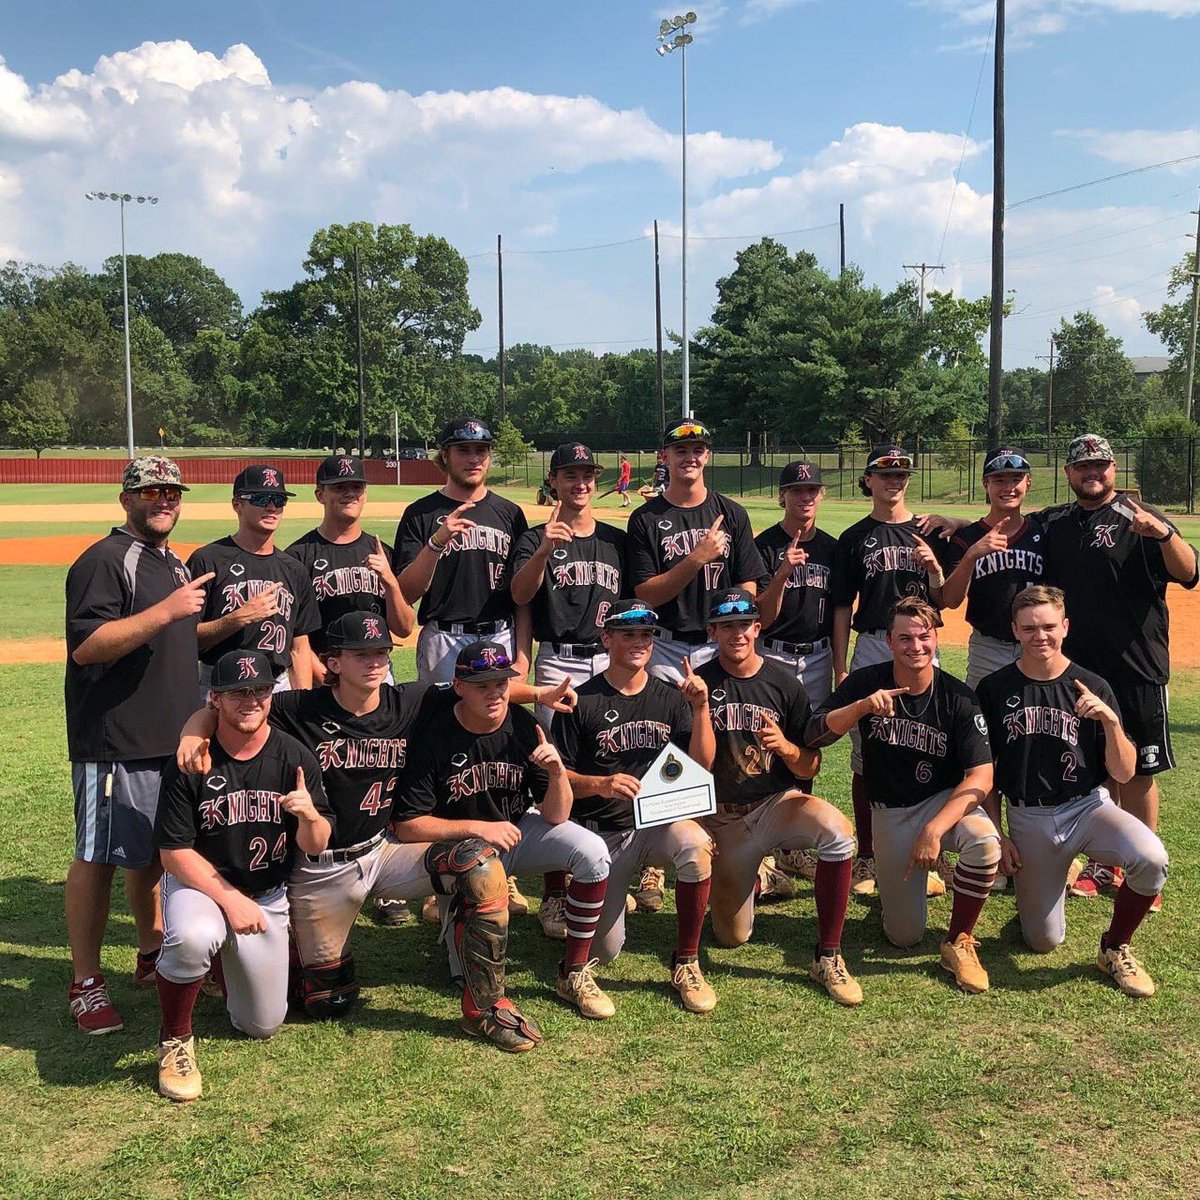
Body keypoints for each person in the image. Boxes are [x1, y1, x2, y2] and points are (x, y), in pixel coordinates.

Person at [174, 612, 542, 1051]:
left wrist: (541, 693)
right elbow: (242, 705)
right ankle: (285, 956)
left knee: (478, 864)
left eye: (381, 651)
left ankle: (486, 1006)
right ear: (333, 661)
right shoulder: (303, 707)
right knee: (327, 1001)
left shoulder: (409, 701)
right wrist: (195, 728)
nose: (374, 661)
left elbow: (482, 687)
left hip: (383, 851)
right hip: (321, 867)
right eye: (361, 653)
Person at [63, 456, 215, 1036]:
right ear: (127, 498)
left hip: (168, 737)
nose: (164, 500)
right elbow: (90, 645)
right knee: (98, 856)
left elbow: (176, 635)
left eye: (172, 491)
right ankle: (85, 982)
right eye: (151, 491)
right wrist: (166, 610)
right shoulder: (105, 560)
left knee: (151, 852)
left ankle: (150, 952)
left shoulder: (170, 561)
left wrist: (229, 622)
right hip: (116, 740)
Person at [393, 641, 616, 1020]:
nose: (495, 693)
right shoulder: (434, 734)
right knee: (465, 974)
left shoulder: (524, 724)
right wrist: (478, 827)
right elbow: (408, 824)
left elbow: (556, 815)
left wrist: (558, 772)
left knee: (592, 851)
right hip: (460, 852)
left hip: (515, 831)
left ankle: (574, 971)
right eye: (482, 685)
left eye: (501, 683)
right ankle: (459, 928)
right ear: (459, 687)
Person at [152, 649, 334, 1102]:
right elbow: (174, 853)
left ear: (272, 693)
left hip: (267, 895)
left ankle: (222, 965)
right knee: (193, 935)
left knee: (262, 1024)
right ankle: (175, 1039)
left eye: (259, 690)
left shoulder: (293, 755)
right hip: (204, 886)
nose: (249, 701)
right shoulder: (193, 757)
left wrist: (310, 817)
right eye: (237, 692)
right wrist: (231, 901)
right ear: (214, 698)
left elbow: (317, 844)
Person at [976, 587, 1168, 997]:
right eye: (1028, 628)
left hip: (1089, 808)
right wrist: (998, 833)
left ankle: (1115, 947)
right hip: (1029, 816)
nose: (1039, 636)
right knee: (1042, 941)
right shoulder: (994, 689)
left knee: (1151, 858)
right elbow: (985, 773)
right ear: (1014, 630)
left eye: (1048, 626)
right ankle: (1054, 877)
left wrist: (1112, 723)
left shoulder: (1093, 684)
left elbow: (1124, 770)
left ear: (1065, 626)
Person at [808, 597, 1000, 993]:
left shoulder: (958, 696)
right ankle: (901, 886)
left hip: (942, 802)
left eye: (924, 637)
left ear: (936, 639)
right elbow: (815, 733)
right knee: (903, 937)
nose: (916, 646)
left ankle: (959, 940)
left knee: (984, 842)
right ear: (890, 643)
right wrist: (859, 708)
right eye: (905, 638)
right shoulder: (868, 682)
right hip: (890, 812)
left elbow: (981, 775)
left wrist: (934, 830)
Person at [1039, 434, 1197, 904]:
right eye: (1082, 466)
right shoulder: (1057, 522)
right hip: (1081, 673)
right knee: (1098, 769)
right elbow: (1006, 528)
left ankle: (1145, 864)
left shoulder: (1141, 518)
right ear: (1068, 473)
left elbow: (1190, 573)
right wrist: (952, 521)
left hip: (1137, 669)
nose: (1092, 473)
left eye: (1101, 465)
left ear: (1113, 469)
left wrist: (1166, 535)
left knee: (1141, 770)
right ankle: (1105, 864)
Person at [697, 589, 863, 1006]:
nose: (738, 634)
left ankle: (828, 955)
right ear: (712, 631)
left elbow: (810, 767)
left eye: (745, 625)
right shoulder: (701, 684)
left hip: (775, 805)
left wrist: (786, 748)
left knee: (839, 833)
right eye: (727, 626)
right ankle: (757, 879)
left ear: (758, 628)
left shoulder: (782, 683)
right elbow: (691, 769)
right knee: (730, 937)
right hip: (724, 817)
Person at [553, 600, 718, 1012]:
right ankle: (575, 951)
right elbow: (558, 778)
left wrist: (700, 709)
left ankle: (687, 962)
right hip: (601, 833)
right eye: (628, 634)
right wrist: (600, 783)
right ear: (606, 638)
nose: (639, 642)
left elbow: (701, 764)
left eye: (646, 634)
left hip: (655, 827)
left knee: (696, 846)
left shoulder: (670, 697)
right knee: (605, 952)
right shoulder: (581, 701)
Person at [830, 446, 946, 899]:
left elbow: (946, 597)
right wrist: (841, 667)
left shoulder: (929, 531)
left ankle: (927, 849)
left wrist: (935, 568)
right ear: (868, 480)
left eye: (901, 473)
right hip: (874, 643)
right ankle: (868, 854)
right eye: (885, 473)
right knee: (868, 753)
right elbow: (842, 606)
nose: (894, 480)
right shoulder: (856, 537)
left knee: (927, 743)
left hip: (921, 643)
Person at [626, 419, 764, 686]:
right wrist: (697, 558)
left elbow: (747, 581)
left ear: (707, 456)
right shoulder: (645, 519)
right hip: (665, 647)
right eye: (681, 450)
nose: (690, 457)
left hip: (718, 645)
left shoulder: (732, 513)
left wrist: (734, 626)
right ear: (664, 457)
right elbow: (645, 594)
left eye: (697, 450)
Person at [393, 417, 528, 685]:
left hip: (500, 635)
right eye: (463, 450)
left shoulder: (510, 514)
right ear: (445, 454)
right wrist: (436, 543)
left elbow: (521, 597)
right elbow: (406, 592)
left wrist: (523, 658)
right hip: (444, 639)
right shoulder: (420, 513)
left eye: (481, 450)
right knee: (440, 721)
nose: (473, 459)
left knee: (498, 721)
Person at [753, 461, 838, 882]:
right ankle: (761, 845)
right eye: (797, 490)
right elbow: (761, 618)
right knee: (764, 745)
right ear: (782, 496)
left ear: (821, 495)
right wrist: (783, 573)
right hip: (773, 654)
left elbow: (840, 612)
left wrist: (840, 665)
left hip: (818, 657)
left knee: (805, 745)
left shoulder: (832, 548)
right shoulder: (763, 546)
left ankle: (794, 847)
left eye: (813, 490)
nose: (805, 497)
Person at [510, 442, 625, 724]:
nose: (581, 484)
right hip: (558, 661)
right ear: (553, 479)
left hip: (610, 660)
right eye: (570, 476)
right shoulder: (533, 539)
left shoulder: (617, 541)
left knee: (607, 748)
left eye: (587, 476)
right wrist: (543, 551)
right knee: (558, 751)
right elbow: (520, 595)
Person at [188, 465, 322, 704]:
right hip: (221, 685)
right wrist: (237, 619)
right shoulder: (208, 560)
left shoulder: (294, 569)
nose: (271, 507)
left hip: (277, 685)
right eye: (261, 499)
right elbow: (186, 639)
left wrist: (302, 702)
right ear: (237, 505)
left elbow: (299, 647)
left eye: (278, 500)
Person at [285, 455, 415, 685]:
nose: (349, 493)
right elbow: (294, 638)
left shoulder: (382, 553)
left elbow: (404, 629)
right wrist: (329, 678)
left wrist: (390, 582)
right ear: (320, 495)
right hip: (323, 676)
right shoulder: (297, 557)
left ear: (364, 494)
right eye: (339, 487)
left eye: (356, 486)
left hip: (377, 674)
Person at [939, 449, 1046, 691]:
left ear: (1028, 483)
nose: (1008, 487)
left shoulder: (1045, 529)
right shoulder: (967, 538)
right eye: (999, 480)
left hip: (1037, 641)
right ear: (986, 484)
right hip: (987, 646)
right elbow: (951, 600)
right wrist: (973, 555)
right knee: (982, 719)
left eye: (1016, 479)